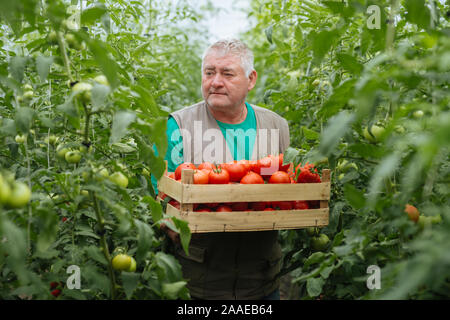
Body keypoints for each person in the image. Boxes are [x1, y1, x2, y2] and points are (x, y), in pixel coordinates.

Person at [152, 38, 290, 300]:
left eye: (227, 74)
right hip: (198, 277)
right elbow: (158, 187)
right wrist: (171, 227)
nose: (215, 81)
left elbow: (284, 189)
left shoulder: (275, 126)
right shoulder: (178, 126)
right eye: (209, 72)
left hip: (261, 277)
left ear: (250, 80)